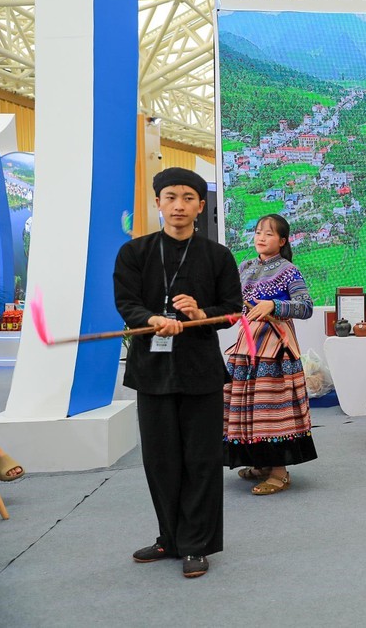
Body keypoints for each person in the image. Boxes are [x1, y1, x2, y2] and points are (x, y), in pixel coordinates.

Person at [114, 167, 242, 578]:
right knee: (160, 459)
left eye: (188, 197)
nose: (179, 205)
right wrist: (152, 318)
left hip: (200, 370)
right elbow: (126, 304)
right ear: (158, 203)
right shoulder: (134, 253)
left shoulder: (218, 256)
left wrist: (201, 313)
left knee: (202, 459)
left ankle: (197, 543)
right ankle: (169, 537)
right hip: (151, 370)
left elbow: (232, 310)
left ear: (201, 206)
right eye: (170, 197)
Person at [224, 214, 317, 496]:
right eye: (258, 232)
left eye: (268, 234)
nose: (261, 238)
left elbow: (306, 306)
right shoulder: (245, 267)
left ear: (283, 241)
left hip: (276, 348)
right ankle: (261, 463)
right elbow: (234, 303)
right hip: (247, 344)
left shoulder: (289, 271)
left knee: (271, 409)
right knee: (249, 406)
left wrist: (274, 306)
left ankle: (279, 471)